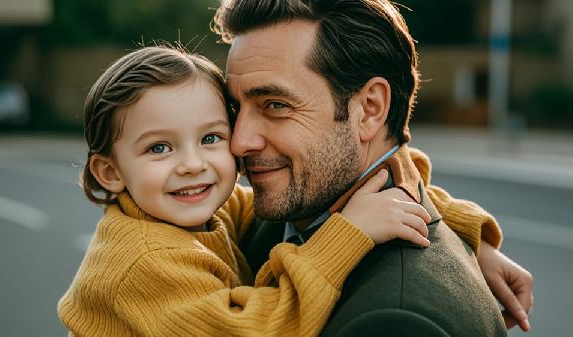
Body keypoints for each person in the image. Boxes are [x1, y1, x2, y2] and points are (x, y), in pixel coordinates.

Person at [57, 45, 459, 336]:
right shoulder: (143, 261)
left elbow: (353, 182)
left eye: (211, 138)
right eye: (159, 148)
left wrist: (455, 226)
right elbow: (252, 331)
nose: (193, 164)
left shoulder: (207, 209)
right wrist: (347, 235)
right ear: (110, 172)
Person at [213, 0, 532, 335]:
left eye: (275, 105)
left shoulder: (398, 321)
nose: (240, 142)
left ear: (369, 109)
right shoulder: (276, 218)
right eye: (235, 107)